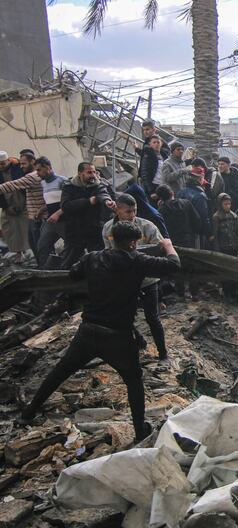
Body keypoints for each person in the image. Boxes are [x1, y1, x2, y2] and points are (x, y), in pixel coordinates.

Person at [21, 222, 180, 442]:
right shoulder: (138, 261)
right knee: (134, 381)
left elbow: (74, 274)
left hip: (88, 330)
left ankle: (28, 413)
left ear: (113, 238)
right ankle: (140, 430)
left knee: (61, 371)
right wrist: (168, 246)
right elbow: (174, 265)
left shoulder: (92, 258)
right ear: (134, 243)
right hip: (118, 336)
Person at [102, 193, 169, 359]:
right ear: (117, 210)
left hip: (147, 280)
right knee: (122, 315)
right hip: (123, 280)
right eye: (128, 212)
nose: (132, 215)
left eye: (134, 211)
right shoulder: (108, 229)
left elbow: (160, 251)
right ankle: (139, 340)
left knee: (152, 318)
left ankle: (163, 353)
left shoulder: (147, 227)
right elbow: (108, 253)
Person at [0, 154, 52, 267]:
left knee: (40, 245)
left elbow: (12, 185)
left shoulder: (33, 176)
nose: (21, 166)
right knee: (38, 244)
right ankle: (42, 265)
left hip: (38, 216)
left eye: (24, 164)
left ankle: (44, 266)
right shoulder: (40, 176)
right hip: (34, 215)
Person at [60, 162, 116, 268]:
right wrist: (87, 202)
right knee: (69, 261)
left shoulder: (98, 184)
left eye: (94, 172)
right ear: (80, 173)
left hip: (94, 229)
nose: (93, 175)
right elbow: (65, 206)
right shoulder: (69, 186)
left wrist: (107, 201)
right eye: (89, 172)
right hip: (75, 230)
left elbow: (103, 194)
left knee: (99, 261)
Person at [155, 185, 200, 297]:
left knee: (177, 267)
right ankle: (194, 293)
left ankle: (180, 293)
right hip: (189, 239)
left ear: (160, 198)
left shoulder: (162, 210)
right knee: (192, 267)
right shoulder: (186, 203)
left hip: (173, 242)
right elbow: (197, 220)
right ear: (172, 193)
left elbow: (160, 228)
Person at [210, 193, 238, 299]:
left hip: (233, 247)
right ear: (220, 204)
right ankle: (226, 292)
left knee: (235, 271)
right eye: (225, 204)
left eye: (229, 204)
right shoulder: (216, 217)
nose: (228, 206)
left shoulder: (234, 216)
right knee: (225, 272)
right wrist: (217, 250)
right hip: (223, 248)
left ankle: (235, 291)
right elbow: (215, 235)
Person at [0, 151, 28, 263]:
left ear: (8, 161)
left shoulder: (17, 168)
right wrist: (6, 207)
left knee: (26, 227)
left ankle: (30, 252)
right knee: (11, 229)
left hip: (22, 202)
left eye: (3, 164)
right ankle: (18, 253)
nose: (1, 166)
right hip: (7, 204)